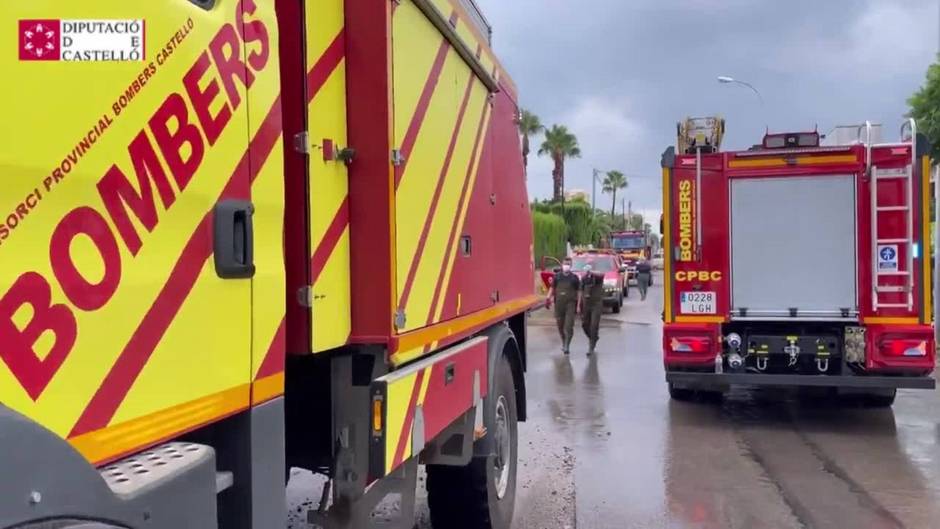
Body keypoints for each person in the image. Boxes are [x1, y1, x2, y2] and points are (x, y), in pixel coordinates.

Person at [546, 257, 581, 355]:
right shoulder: (557, 277)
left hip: (570, 304)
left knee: (568, 326)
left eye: (568, 264)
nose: (567, 266)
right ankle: (564, 341)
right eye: (565, 263)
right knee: (560, 326)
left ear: (571, 265)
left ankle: (567, 345)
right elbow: (552, 288)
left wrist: (578, 306)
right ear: (562, 264)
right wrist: (548, 298)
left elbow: (579, 292)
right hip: (559, 305)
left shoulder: (574, 278)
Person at [580, 263, 605, 355]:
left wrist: (592, 272)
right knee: (584, 324)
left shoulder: (597, 278)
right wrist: (579, 304)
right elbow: (581, 291)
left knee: (594, 325)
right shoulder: (584, 279)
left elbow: (602, 275)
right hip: (587, 304)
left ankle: (591, 346)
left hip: (596, 304)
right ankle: (593, 338)